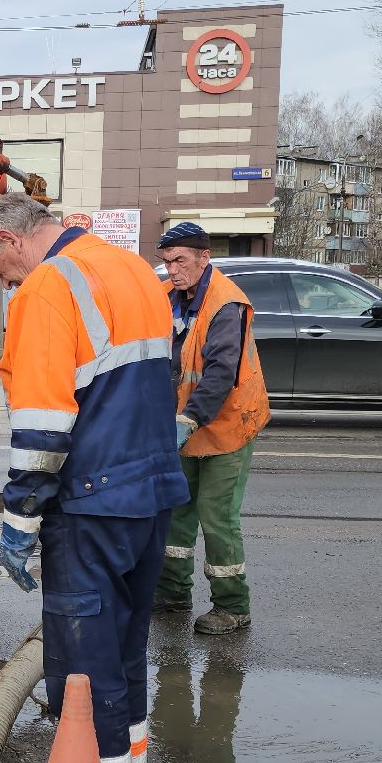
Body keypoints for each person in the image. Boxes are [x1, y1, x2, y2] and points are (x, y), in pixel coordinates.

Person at [0, 192, 187, 763]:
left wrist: (19, 515)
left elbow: (42, 421)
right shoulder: (130, 270)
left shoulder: (50, 286)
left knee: (80, 660)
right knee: (124, 647)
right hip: (150, 495)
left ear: (11, 240)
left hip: (91, 502)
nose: (7, 286)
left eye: (1, 273)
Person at [151, 222, 270, 635]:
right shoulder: (167, 297)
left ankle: (233, 605)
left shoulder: (226, 304)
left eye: (180, 261)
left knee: (216, 517)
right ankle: (172, 592)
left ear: (205, 258)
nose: (173, 270)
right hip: (183, 423)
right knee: (176, 512)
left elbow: (220, 372)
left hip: (226, 425)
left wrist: (187, 419)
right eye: (166, 262)